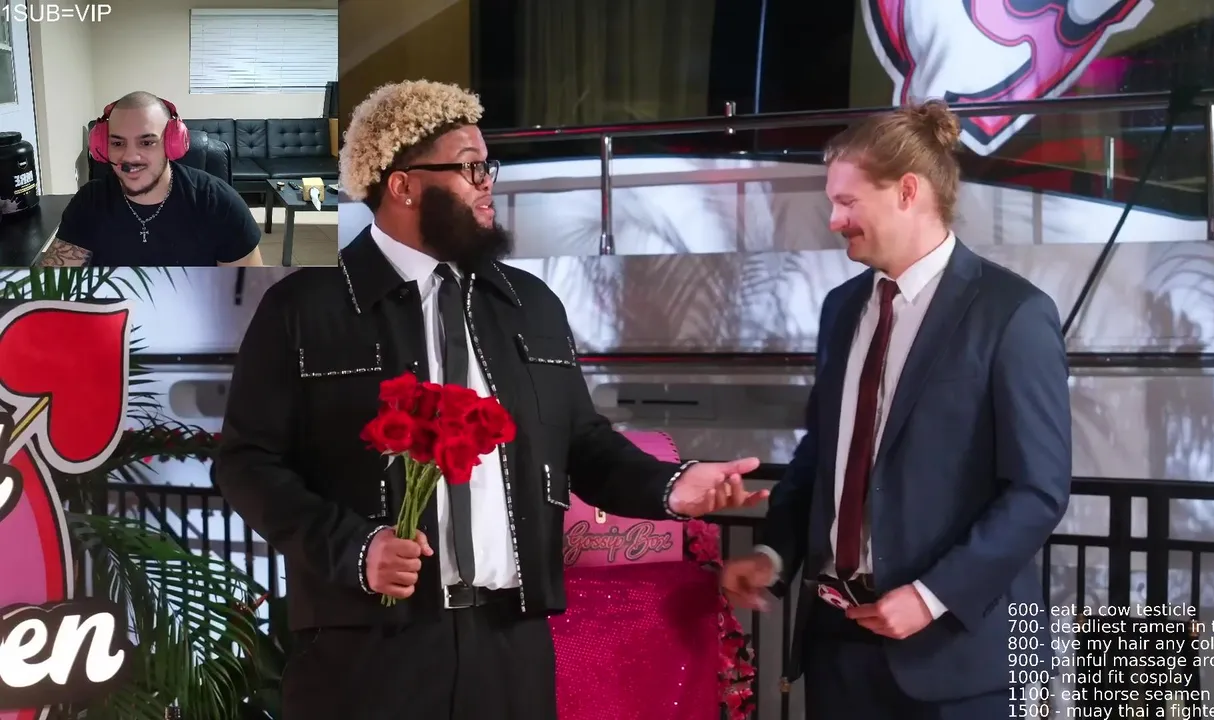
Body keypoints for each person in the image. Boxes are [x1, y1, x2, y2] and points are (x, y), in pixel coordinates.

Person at [214, 79, 768, 720]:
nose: (487, 186)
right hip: (366, 650)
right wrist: (355, 549)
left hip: (510, 644)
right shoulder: (304, 308)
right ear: (403, 185)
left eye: (487, 166)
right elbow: (246, 464)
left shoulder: (531, 304)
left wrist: (670, 487)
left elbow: (583, 445)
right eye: (469, 167)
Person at [720, 100, 1072, 719]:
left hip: (957, 661)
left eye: (847, 202)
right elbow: (823, 453)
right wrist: (773, 555)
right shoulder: (841, 309)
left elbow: (1038, 491)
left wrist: (933, 596)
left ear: (908, 192)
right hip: (838, 651)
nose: (835, 220)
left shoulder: (1013, 314)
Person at [39, 91, 264, 267]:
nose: (130, 157)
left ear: (172, 144)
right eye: (117, 143)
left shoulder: (220, 203)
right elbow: (51, 288)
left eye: (147, 142)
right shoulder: (89, 201)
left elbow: (247, 297)